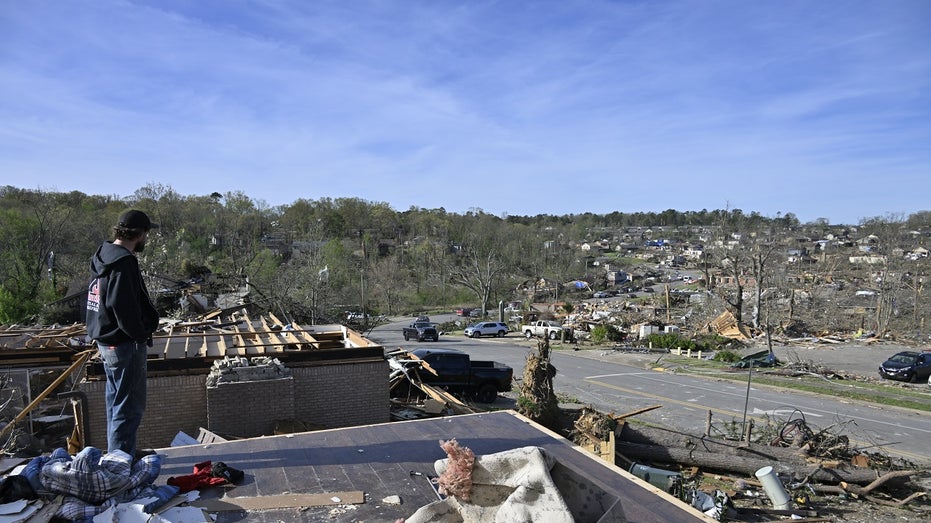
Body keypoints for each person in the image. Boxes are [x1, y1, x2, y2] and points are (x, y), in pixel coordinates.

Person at [85, 209, 160, 458]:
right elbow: (122, 306)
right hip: (123, 342)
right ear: (140, 235)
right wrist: (139, 334)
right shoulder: (123, 262)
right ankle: (120, 462)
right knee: (129, 405)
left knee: (116, 400)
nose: (146, 240)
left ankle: (120, 451)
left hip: (106, 340)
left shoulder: (104, 255)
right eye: (146, 235)